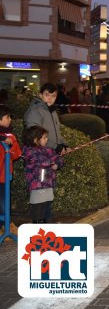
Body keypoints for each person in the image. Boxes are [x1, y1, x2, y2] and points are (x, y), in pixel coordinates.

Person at [22, 125, 64, 223]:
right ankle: (37, 227)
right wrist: (52, 163)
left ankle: (46, 226)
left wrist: (57, 164)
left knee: (47, 207)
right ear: (36, 140)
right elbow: (41, 161)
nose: (47, 139)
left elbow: (58, 159)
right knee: (38, 207)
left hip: (48, 184)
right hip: (37, 186)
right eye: (44, 137)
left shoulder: (47, 150)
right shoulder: (29, 151)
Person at [24, 83, 68, 154]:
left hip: (51, 153)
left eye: (53, 96)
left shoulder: (52, 111)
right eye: (47, 95)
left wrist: (63, 144)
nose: (50, 98)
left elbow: (57, 132)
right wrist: (55, 146)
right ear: (40, 95)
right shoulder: (35, 111)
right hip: (39, 155)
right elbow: (35, 135)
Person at [0, 105, 21, 235]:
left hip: (4, 176)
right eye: (7, 117)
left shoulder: (10, 135)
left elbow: (17, 154)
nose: (10, 120)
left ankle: (6, 227)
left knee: (4, 201)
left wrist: (10, 144)